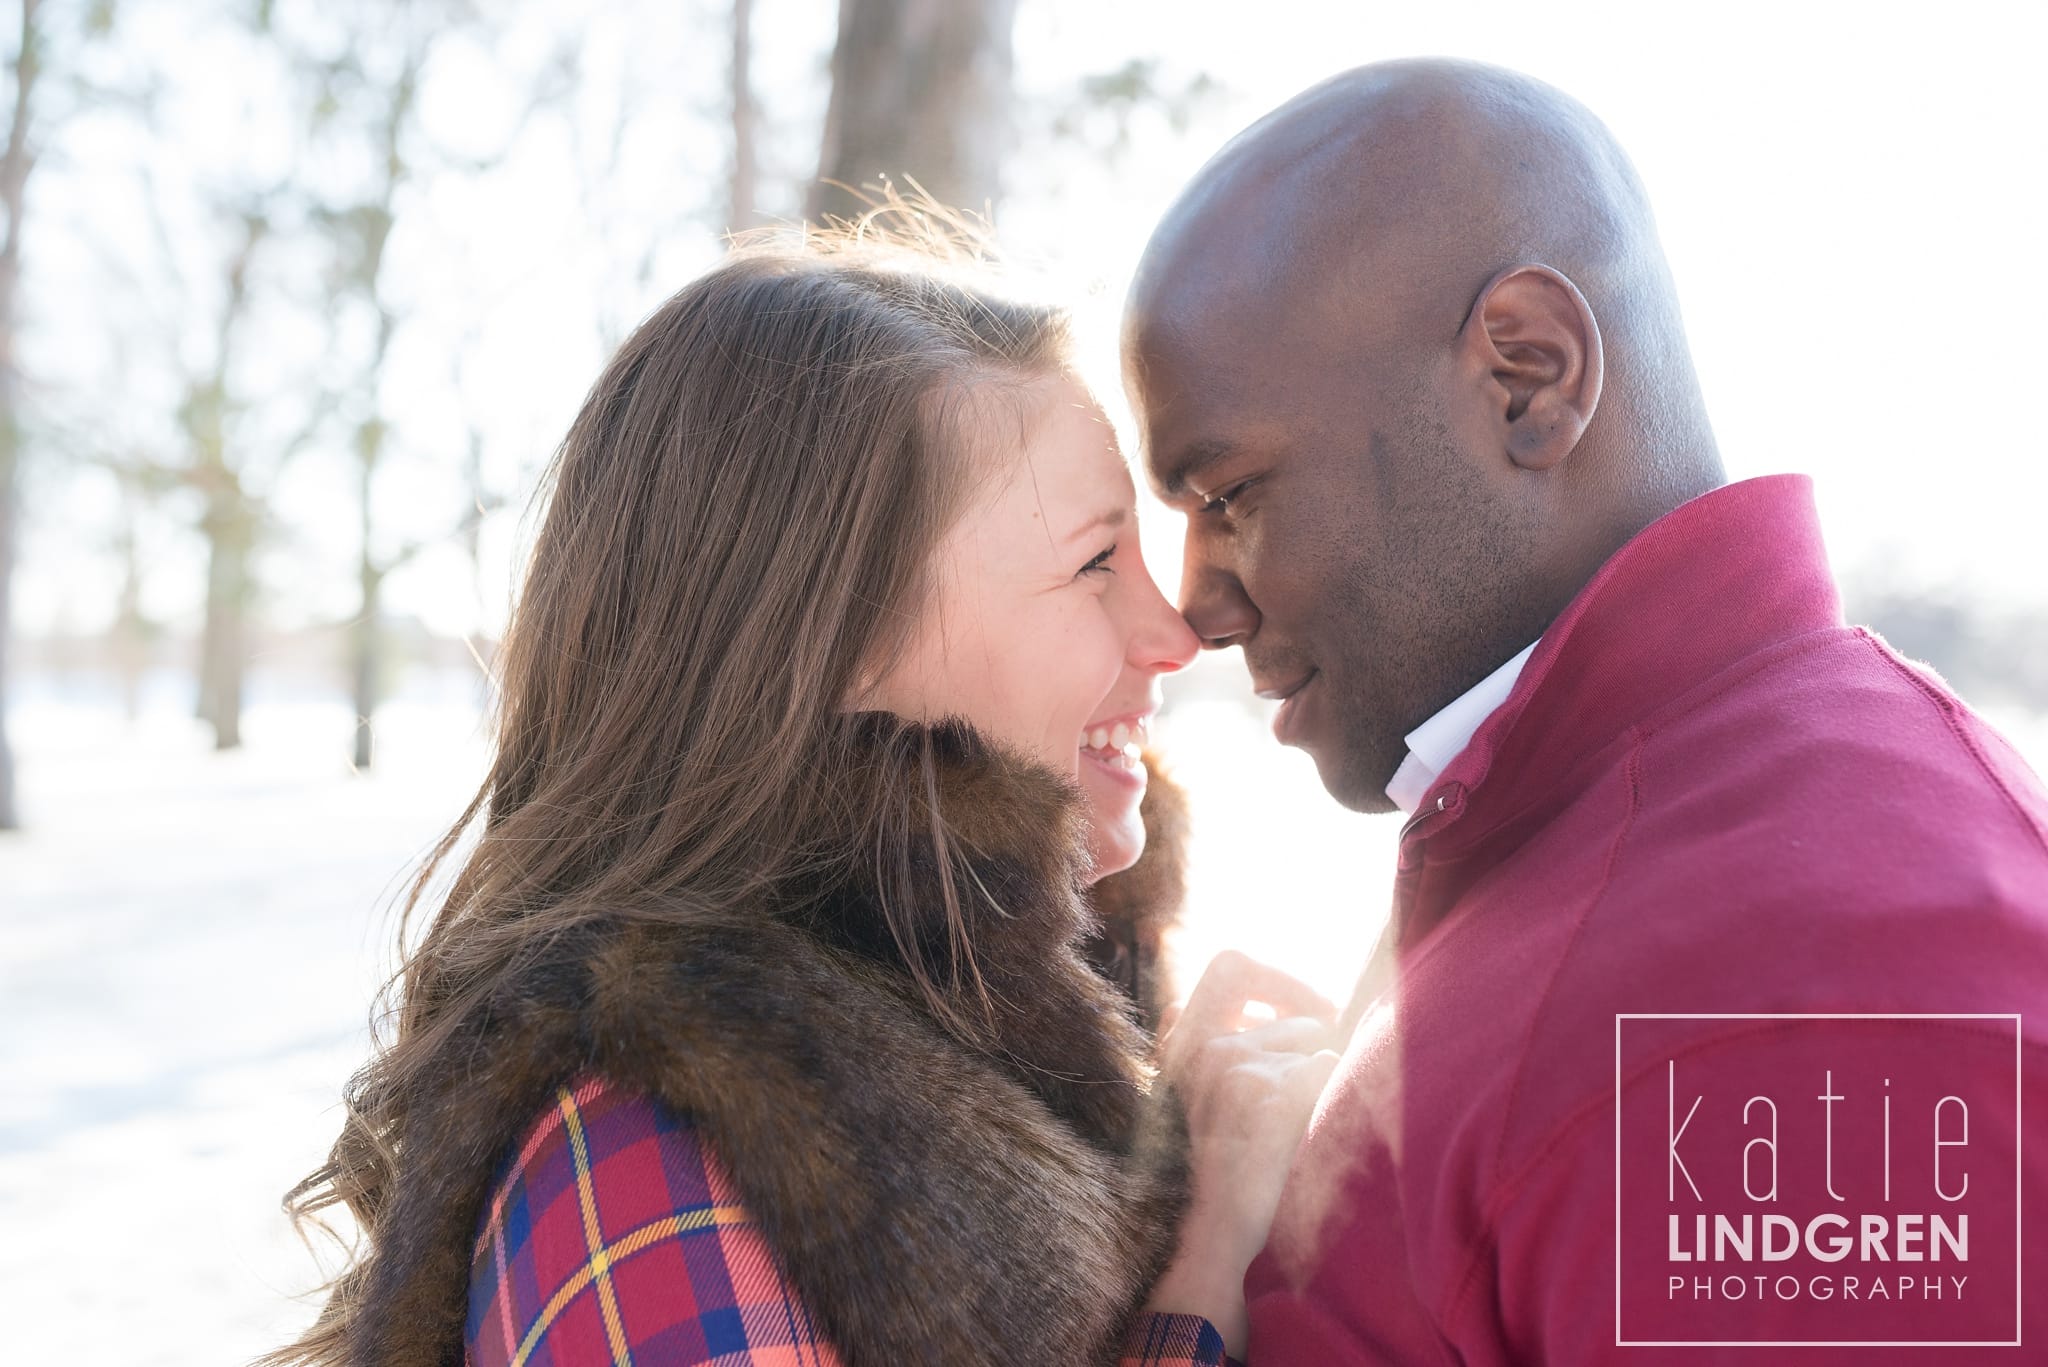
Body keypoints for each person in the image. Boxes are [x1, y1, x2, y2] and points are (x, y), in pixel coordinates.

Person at [263, 230, 1337, 1367]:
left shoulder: (990, 1004)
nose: (1174, 632)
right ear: (833, 644)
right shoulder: (655, 1154)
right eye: (1091, 564)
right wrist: (1207, 1263)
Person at [1123, 59, 2048, 1365]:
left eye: (1230, 493)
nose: (1197, 603)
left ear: (1525, 376)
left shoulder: (1792, 1002)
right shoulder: (1595, 835)